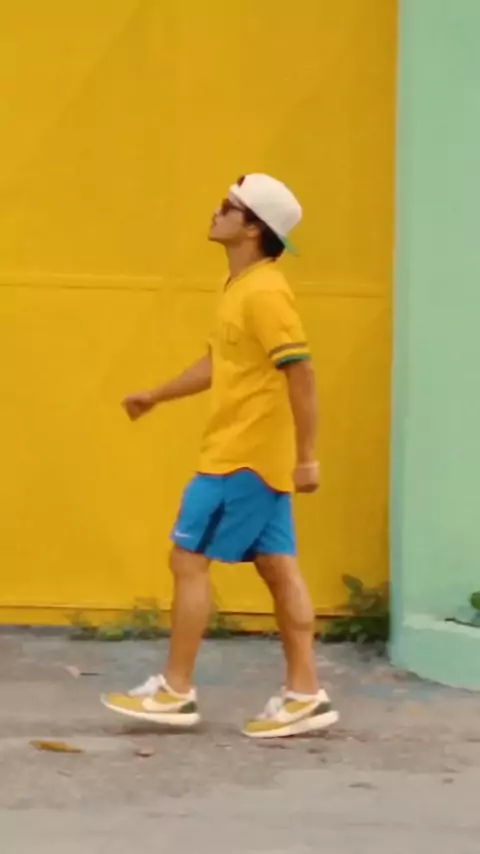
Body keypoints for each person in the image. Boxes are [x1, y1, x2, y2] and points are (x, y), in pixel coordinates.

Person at [101, 173, 338, 738]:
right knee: (279, 569)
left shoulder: (265, 293)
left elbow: (301, 371)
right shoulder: (240, 287)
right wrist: (156, 395)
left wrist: (308, 455)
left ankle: (176, 689)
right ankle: (305, 693)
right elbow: (220, 363)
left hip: (240, 459)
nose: (217, 211)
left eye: (229, 207)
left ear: (253, 227)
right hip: (254, 457)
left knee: (188, 561)